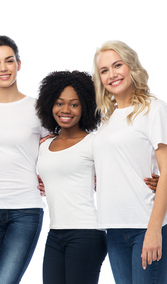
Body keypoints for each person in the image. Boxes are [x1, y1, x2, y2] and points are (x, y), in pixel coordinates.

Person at [92, 40, 167, 284]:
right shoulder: (105, 120)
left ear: (131, 66)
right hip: (114, 229)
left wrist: (153, 229)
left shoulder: (155, 109)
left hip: (146, 225)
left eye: (117, 65)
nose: (112, 74)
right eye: (104, 70)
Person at [0, 35, 47, 284]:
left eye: (9, 61)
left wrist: (48, 178)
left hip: (25, 209)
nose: (3, 68)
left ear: (19, 64)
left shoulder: (38, 109)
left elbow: (56, 149)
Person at [35, 70, 107, 284]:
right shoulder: (45, 144)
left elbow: (118, 171)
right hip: (55, 233)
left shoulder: (94, 142)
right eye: (59, 103)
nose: (65, 110)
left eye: (74, 104)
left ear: (85, 106)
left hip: (86, 233)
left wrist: (156, 180)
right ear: (50, 104)